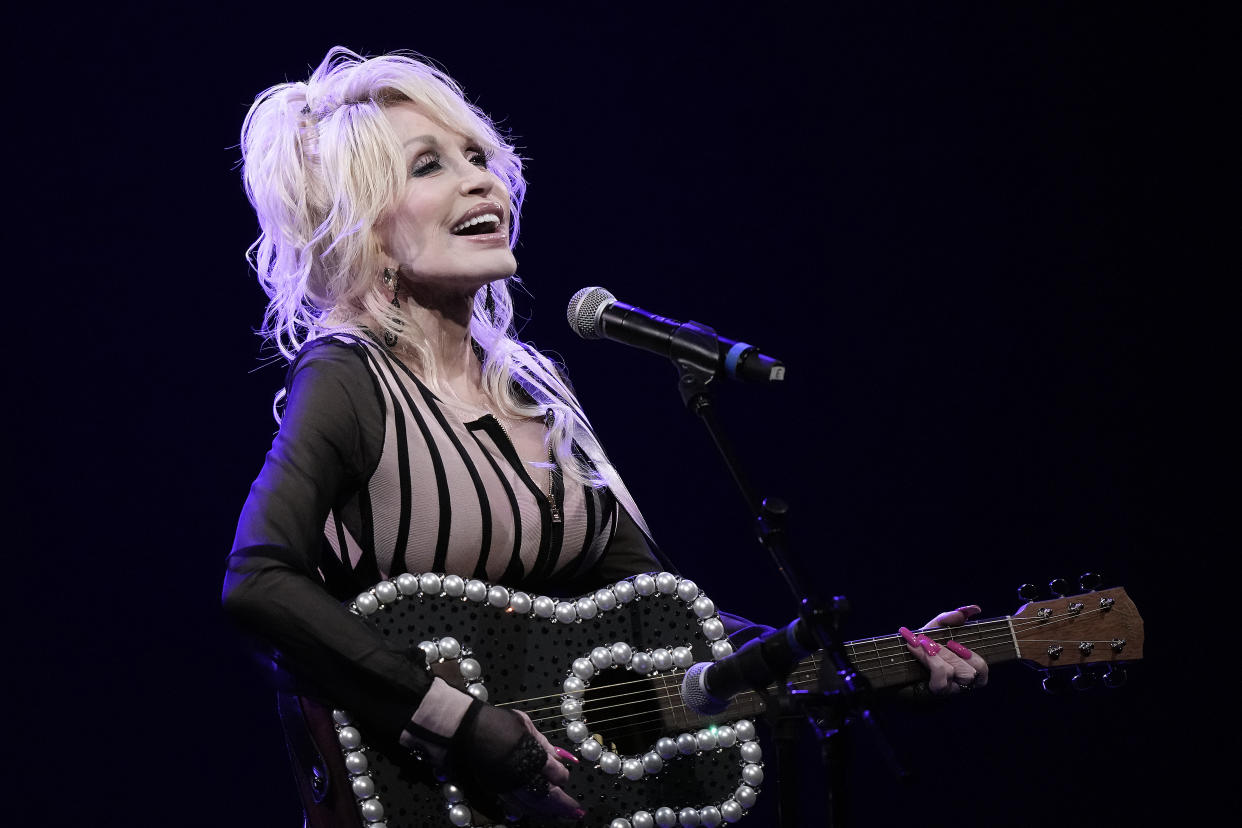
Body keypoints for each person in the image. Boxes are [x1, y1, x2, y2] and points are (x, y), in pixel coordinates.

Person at [221, 46, 988, 827]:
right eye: (429, 166)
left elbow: (662, 620)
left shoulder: (534, 392)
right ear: (366, 229)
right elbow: (257, 581)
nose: (481, 179)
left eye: (479, 156)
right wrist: (461, 723)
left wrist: (864, 666)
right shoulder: (348, 377)